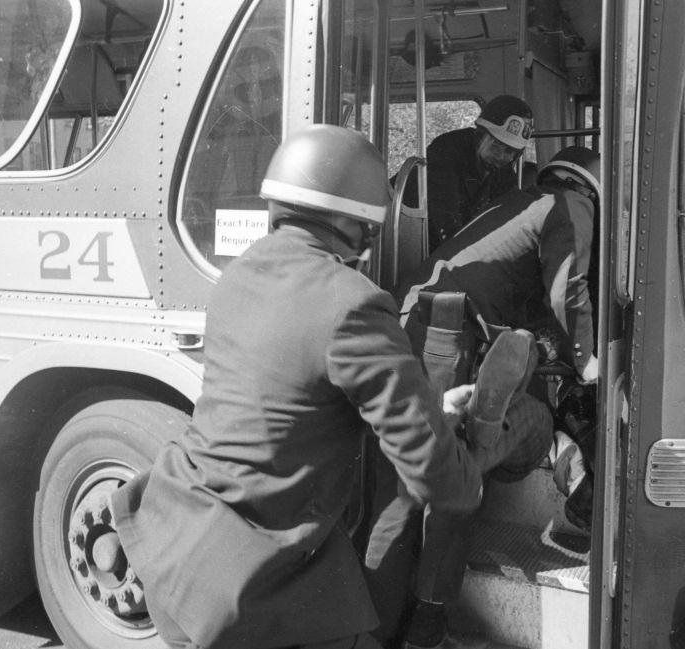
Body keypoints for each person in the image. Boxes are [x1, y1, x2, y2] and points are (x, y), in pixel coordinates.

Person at [109, 125, 532, 649]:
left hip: (176, 545)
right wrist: (486, 440)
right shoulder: (354, 303)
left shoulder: (240, 274)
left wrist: (428, 406)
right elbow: (442, 482)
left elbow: (293, 403)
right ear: (360, 225)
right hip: (254, 582)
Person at [365, 146, 600, 649]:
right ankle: (425, 624)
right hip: (450, 342)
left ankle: (379, 626)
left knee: (405, 492)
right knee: (453, 480)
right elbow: (569, 287)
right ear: (592, 183)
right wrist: (589, 362)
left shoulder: (519, 202)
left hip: (417, 326)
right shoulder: (571, 205)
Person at [403, 95, 534, 251]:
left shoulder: (501, 171)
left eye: (510, 151)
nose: (501, 156)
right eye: (495, 146)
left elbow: (511, 208)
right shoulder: (447, 152)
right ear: (480, 136)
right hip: (407, 240)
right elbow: (446, 219)